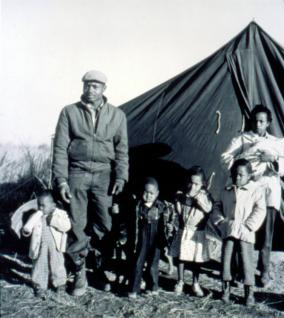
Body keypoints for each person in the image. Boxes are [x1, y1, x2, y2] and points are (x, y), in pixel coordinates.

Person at [52, 70, 129, 296]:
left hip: (104, 175)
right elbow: (60, 149)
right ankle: (80, 275)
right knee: (77, 225)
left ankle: (100, 268)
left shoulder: (117, 116)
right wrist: (62, 181)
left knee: (106, 225)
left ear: (104, 89)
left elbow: (122, 150)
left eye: (95, 86)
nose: (90, 90)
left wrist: (121, 177)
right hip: (77, 172)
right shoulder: (69, 112)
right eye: (87, 85)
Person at [221, 104, 284, 287]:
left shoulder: (276, 143)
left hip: (269, 190)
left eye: (262, 121)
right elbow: (225, 157)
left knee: (266, 236)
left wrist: (272, 160)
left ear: (268, 123)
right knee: (243, 230)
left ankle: (264, 271)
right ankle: (241, 271)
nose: (258, 124)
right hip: (249, 191)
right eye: (255, 121)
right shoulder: (242, 139)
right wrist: (243, 167)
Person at [213, 159, 266, 306]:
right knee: (227, 260)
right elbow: (217, 206)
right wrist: (221, 222)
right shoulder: (226, 189)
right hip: (229, 229)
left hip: (245, 231)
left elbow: (260, 209)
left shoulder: (256, 190)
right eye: (235, 174)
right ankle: (226, 289)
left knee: (246, 262)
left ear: (249, 175)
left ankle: (249, 292)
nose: (237, 178)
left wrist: (249, 225)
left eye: (241, 175)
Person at [170, 166, 213, 297]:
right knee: (181, 257)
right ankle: (180, 281)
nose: (192, 187)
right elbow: (178, 211)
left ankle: (195, 283)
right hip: (184, 230)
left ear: (202, 184)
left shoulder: (204, 196)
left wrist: (200, 199)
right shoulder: (182, 195)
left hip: (197, 232)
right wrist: (179, 199)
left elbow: (208, 209)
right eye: (191, 182)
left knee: (196, 259)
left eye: (196, 184)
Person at [128, 177, 173, 298]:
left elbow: (167, 221)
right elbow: (133, 222)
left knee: (153, 264)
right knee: (138, 263)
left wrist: (167, 231)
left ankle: (152, 287)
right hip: (142, 238)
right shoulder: (138, 205)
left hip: (155, 238)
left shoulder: (161, 206)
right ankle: (134, 288)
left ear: (157, 193)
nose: (148, 196)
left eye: (151, 193)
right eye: (146, 192)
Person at [22, 190, 71, 299]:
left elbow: (66, 226)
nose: (40, 208)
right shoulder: (37, 215)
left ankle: (60, 283)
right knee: (40, 264)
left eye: (43, 206)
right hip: (40, 246)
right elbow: (28, 227)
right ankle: (39, 285)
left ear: (53, 205)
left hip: (55, 247)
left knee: (57, 264)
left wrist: (52, 219)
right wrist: (26, 230)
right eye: (39, 205)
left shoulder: (60, 214)